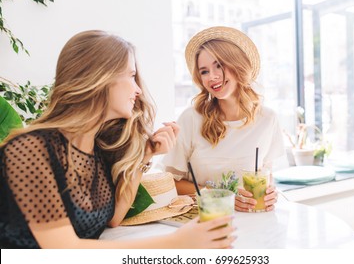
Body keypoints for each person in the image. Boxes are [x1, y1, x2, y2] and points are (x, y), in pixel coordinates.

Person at [0, 30, 235, 249]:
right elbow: (63, 249)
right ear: (99, 77)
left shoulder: (95, 147)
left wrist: (145, 155)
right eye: (131, 76)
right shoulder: (30, 149)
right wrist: (175, 242)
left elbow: (113, 219)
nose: (138, 90)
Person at [163, 26, 287, 212]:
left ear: (237, 64)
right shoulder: (191, 119)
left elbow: (266, 176)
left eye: (219, 65)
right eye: (204, 71)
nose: (212, 76)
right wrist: (222, 196)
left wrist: (269, 193)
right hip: (206, 221)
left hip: (253, 220)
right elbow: (171, 183)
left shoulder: (267, 119)